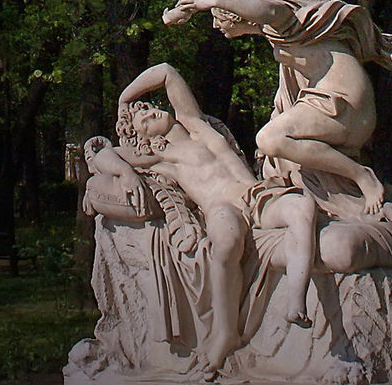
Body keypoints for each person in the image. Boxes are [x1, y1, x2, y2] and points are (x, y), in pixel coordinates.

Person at [90, 62, 317, 377]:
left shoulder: (197, 125)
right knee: (226, 244)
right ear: (145, 140)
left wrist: (125, 98)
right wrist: (125, 171)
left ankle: (296, 301)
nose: (149, 111)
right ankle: (226, 334)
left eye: (149, 107)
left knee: (302, 208)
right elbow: (102, 153)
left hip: (255, 197)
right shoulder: (160, 156)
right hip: (221, 208)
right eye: (142, 117)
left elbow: (166, 72)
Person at [162, 0, 392, 214]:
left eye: (218, 18)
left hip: (343, 100)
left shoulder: (279, 15)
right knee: (273, 160)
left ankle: (363, 176)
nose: (215, 25)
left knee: (270, 139)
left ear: (235, 13)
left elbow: (266, 10)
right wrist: (186, 9)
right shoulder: (274, 33)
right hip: (329, 98)